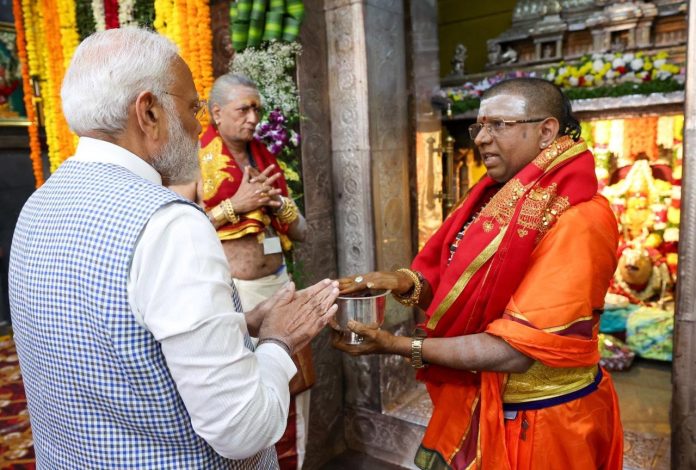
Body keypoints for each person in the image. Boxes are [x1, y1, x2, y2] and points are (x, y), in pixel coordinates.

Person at [9, 27, 338, 469]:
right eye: (191, 107)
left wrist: (240, 324)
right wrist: (280, 341)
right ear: (148, 112)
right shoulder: (168, 223)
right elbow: (239, 428)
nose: (197, 124)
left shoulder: (37, 204)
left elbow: (123, 340)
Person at [335, 78, 623, 470]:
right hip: (490, 402)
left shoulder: (580, 218)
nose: (482, 139)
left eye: (498, 125)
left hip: (544, 420)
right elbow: (461, 290)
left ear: (546, 131)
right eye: (480, 126)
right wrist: (402, 282)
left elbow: (515, 351)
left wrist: (397, 345)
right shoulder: (496, 195)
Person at [197, 73, 312, 470]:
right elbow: (183, 230)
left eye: (256, 109)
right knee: (253, 389)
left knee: (293, 383)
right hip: (238, 297)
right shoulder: (197, 161)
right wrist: (236, 205)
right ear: (216, 113)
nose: (252, 117)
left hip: (278, 284)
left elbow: (304, 232)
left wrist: (280, 206)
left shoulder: (266, 158)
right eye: (242, 109)